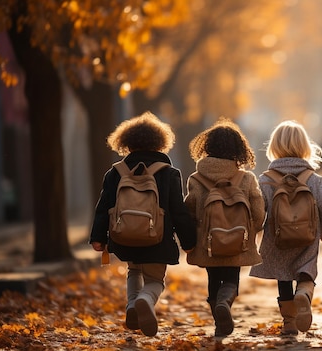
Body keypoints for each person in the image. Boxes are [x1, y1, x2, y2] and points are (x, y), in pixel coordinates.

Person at [89, 112, 197, 337]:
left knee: (133, 270)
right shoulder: (169, 173)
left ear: (126, 142)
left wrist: (98, 237)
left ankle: (131, 305)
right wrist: (189, 242)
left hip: (124, 236)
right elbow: (179, 211)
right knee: (155, 280)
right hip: (158, 238)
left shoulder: (115, 173)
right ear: (160, 142)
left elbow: (103, 206)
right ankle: (145, 300)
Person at [249, 120, 322, 335]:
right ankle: (305, 293)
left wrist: (256, 230)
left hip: (277, 238)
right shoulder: (312, 178)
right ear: (305, 146)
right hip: (307, 236)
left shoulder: (266, 179)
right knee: (306, 271)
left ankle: (289, 323)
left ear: (274, 146)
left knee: (283, 277)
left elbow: (259, 209)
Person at [184, 118, 265, 337]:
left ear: (207, 147)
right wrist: (252, 231)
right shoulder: (246, 179)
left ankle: (219, 320)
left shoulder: (196, 179)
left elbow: (189, 211)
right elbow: (258, 213)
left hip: (208, 243)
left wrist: (191, 239)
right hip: (238, 242)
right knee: (231, 279)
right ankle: (225, 302)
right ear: (239, 150)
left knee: (213, 278)